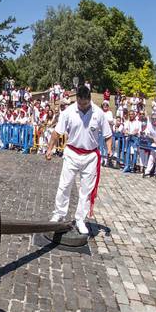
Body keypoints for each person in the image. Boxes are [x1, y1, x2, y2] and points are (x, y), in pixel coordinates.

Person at [46, 86, 113, 235]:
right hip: (72, 153)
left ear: (90, 99)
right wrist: (50, 149)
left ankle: (80, 219)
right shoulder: (68, 112)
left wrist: (109, 150)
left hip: (90, 156)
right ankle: (59, 213)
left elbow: (108, 135)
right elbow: (57, 133)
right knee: (64, 185)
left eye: (85, 104)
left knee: (86, 191)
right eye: (80, 103)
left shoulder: (99, 113)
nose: (82, 106)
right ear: (77, 100)